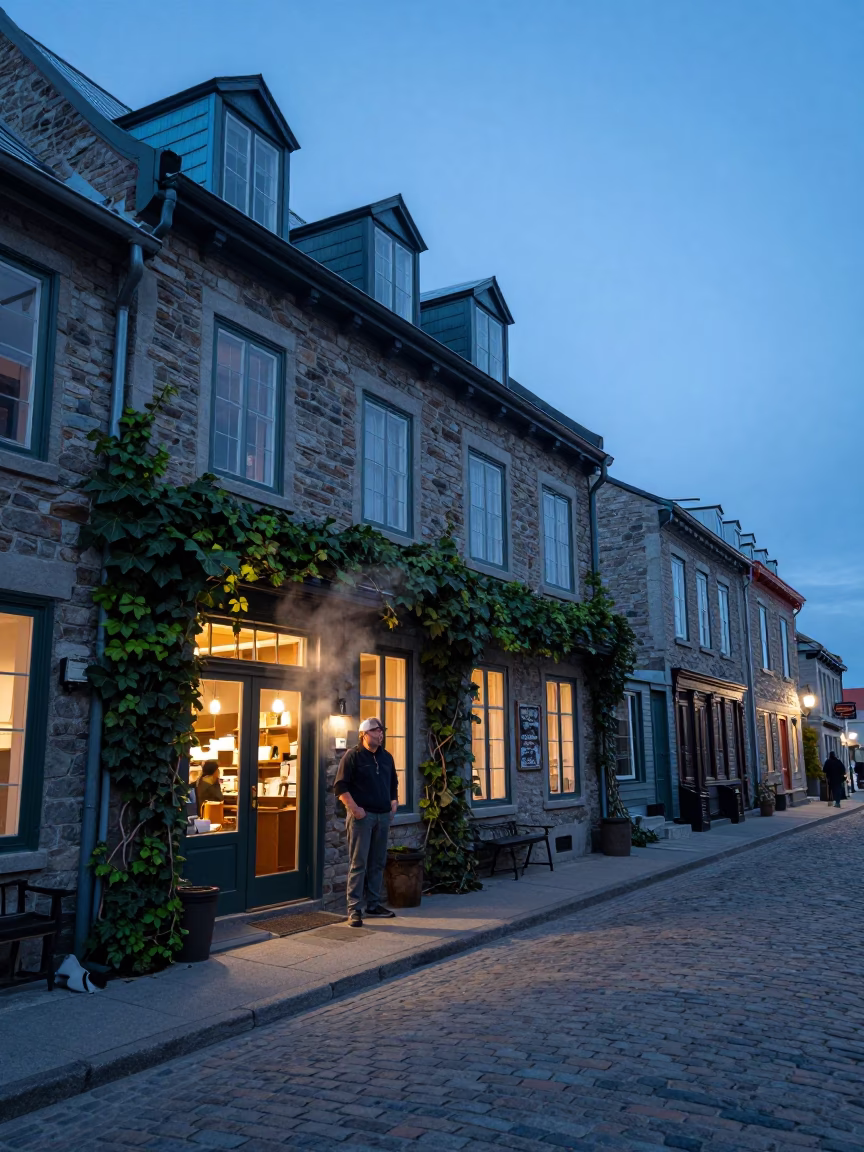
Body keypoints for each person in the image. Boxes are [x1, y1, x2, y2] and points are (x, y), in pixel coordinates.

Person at [334, 716, 399, 927]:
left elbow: (393, 784)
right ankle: (354, 909)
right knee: (358, 863)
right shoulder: (352, 757)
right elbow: (340, 787)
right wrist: (355, 809)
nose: (380, 735)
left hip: (382, 816)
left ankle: (373, 904)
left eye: (382, 731)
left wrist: (394, 802)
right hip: (362, 818)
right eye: (376, 731)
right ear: (364, 734)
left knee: (378, 862)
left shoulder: (386, 757)